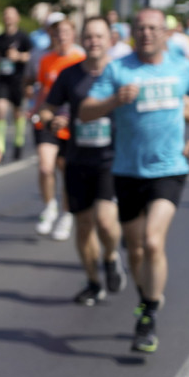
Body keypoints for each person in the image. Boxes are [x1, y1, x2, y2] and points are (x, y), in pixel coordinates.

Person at [81, 8, 189, 353]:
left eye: (153, 28)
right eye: (140, 28)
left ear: (165, 34)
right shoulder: (118, 68)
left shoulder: (182, 66)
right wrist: (113, 100)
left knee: (154, 242)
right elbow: (85, 111)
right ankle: (146, 297)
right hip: (127, 171)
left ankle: (149, 314)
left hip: (169, 168)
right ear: (132, 33)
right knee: (136, 250)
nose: (146, 34)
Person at [41, 17, 126, 305]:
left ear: (110, 39)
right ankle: (93, 282)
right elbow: (47, 110)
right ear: (82, 38)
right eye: (88, 37)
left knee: (105, 220)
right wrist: (53, 119)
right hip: (78, 158)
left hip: (111, 157)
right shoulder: (69, 75)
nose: (94, 42)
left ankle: (112, 256)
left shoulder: (121, 73)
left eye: (99, 36)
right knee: (84, 225)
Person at [29, 16, 85, 240]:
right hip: (48, 118)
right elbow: (44, 90)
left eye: (65, 32)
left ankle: (66, 214)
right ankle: (50, 205)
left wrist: (72, 117)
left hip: (72, 122)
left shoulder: (80, 58)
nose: (61, 36)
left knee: (68, 172)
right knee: (45, 166)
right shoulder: (45, 59)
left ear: (73, 34)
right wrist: (35, 110)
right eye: (57, 32)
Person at [0, 6, 33, 160]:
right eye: (5, 15)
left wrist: (19, 56)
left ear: (17, 18)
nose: (8, 18)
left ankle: (18, 142)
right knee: (0, 109)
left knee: (18, 113)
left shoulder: (23, 37)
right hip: (3, 79)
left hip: (18, 79)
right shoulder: (0, 37)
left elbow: (31, 56)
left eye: (11, 15)